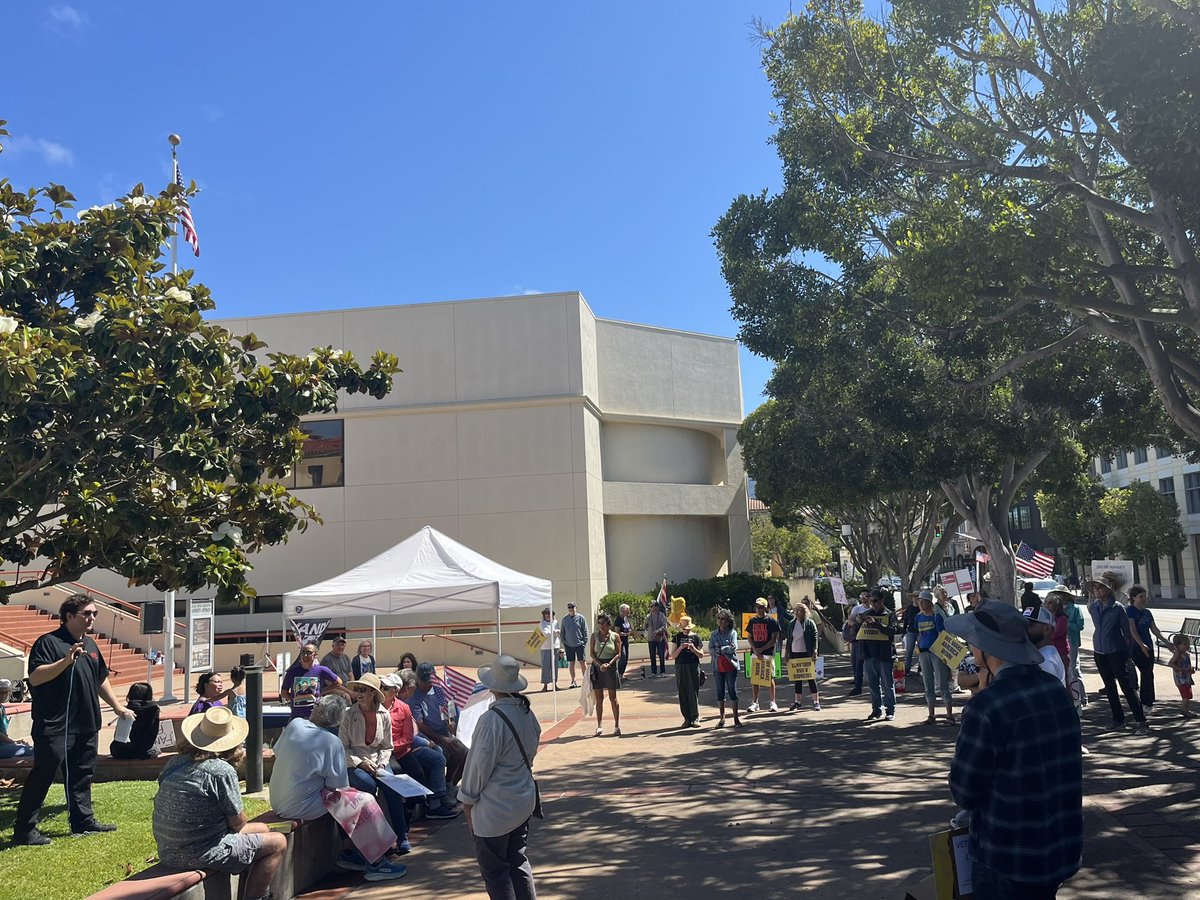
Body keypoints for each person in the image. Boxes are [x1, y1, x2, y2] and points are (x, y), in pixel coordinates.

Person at [945, 601, 1083, 898]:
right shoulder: (1054, 690)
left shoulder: (987, 706)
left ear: (985, 647)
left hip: (1007, 855)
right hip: (1058, 848)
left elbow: (964, 791)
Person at [13, 593, 133, 845]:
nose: (92, 618)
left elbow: (101, 679)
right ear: (69, 616)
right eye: (86, 613)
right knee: (43, 774)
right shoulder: (48, 643)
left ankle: (82, 821)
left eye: (94, 614)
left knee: (82, 773)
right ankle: (25, 830)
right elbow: (35, 677)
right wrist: (66, 661)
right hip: (55, 725)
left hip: (86, 722)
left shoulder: (90, 645)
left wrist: (118, 706)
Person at [153, 707, 288, 900]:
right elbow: (237, 823)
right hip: (202, 851)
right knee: (277, 842)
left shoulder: (175, 762)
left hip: (168, 850)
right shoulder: (221, 771)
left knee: (263, 829)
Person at [271, 694, 408, 881]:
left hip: (278, 799)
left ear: (319, 710)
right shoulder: (331, 742)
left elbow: (277, 751)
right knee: (362, 800)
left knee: (347, 799)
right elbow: (339, 787)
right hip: (300, 805)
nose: (314, 704)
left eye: (317, 703)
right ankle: (376, 862)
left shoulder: (295, 724)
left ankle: (350, 853)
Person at [460, 655, 542, 900]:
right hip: (521, 800)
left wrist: (467, 800)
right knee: (518, 861)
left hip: (495, 808)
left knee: (496, 872)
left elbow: (477, 768)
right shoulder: (527, 714)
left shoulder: (491, 720)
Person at [340, 672, 412, 853]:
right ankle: (378, 840)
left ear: (373, 692)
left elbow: (387, 746)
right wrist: (360, 763)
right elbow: (342, 748)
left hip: (378, 760)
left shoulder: (384, 714)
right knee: (367, 785)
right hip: (354, 761)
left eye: (363, 690)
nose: (359, 693)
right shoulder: (348, 715)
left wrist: (381, 764)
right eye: (357, 689)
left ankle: (401, 835)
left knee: (392, 787)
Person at [385, 671, 458, 818]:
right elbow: (403, 735)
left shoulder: (403, 706)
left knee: (444, 751)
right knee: (437, 759)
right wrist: (424, 742)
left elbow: (409, 732)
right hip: (398, 749)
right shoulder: (392, 706)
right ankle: (434, 804)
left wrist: (426, 741)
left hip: (407, 745)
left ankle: (439, 794)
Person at [1087, 574, 1148, 733]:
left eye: (1100, 587)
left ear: (1108, 589)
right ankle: (1118, 719)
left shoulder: (1118, 608)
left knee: (1127, 687)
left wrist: (1127, 655)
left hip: (1116, 652)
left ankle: (1141, 721)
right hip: (1099, 652)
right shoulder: (1093, 607)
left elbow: (1127, 635)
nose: (1096, 590)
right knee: (1110, 687)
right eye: (1094, 587)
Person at [411, 662, 469, 784]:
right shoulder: (414, 697)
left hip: (444, 732)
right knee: (442, 753)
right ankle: (442, 785)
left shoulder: (439, 691)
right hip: (428, 736)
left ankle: (450, 783)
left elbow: (449, 709)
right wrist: (442, 739)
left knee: (466, 754)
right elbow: (420, 725)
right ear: (419, 679)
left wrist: (451, 721)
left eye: (430, 681)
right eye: (425, 681)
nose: (428, 684)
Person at [1126, 585, 1168, 711]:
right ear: (1133, 598)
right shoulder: (1130, 611)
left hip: (1148, 647)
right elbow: (1132, 630)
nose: (1144, 599)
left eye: (1145, 596)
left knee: (1148, 674)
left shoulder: (1147, 612)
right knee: (1143, 673)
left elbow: (1154, 629)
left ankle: (1148, 702)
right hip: (1136, 648)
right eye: (1140, 596)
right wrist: (1141, 645)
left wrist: (1167, 642)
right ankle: (1143, 701)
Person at [281, 643, 350, 721]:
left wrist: (321, 692)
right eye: (303, 652)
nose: (305, 655)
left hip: (314, 715)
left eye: (309, 653)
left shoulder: (321, 670)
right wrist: (295, 698)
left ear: (315, 655)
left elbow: (338, 682)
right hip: (296, 716)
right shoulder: (292, 671)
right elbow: (284, 692)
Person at [857, 589, 897, 721]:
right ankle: (876, 710)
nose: (873, 604)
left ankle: (890, 710)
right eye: (870, 601)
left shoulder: (890, 614)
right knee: (873, 685)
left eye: (875, 601)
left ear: (882, 601)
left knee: (887, 684)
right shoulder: (867, 613)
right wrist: (859, 619)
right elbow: (855, 624)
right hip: (869, 654)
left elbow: (893, 631)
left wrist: (877, 624)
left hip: (884, 654)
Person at [915, 595, 954, 725]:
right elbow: (918, 633)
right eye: (919, 602)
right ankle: (931, 714)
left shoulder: (936, 617)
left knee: (942, 683)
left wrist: (943, 655)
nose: (920, 604)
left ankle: (949, 714)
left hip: (935, 653)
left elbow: (941, 635)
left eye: (923, 601)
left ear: (929, 602)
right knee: (928, 684)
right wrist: (918, 645)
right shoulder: (918, 617)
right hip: (923, 652)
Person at [744, 598, 781, 713]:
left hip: (768, 654)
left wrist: (761, 650)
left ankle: (773, 702)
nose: (758, 609)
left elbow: (773, 640)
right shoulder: (753, 621)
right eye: (757, 607)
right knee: (755, 678)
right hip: (755, 653)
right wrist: (756, 650)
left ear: (765, 607)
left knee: (769, 677)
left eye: (760, 607)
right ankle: (755, 702)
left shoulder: (772, 621)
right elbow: (749, 637)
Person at [708, 608, 743, 727]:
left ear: (728, 621)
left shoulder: (732, 633)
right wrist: (724, 649)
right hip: (717, 666)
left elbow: (734, 647)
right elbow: (711, 650)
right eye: (718, 618)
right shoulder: (713, 634)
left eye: (723, 619)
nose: (720, 621)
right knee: (720, 692)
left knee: (733, 691)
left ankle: (736, 719)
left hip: (730, 666)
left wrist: (721, 649)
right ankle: (722, 718)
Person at [589, 613, 622, 736]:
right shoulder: (594, 636)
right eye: (599, 623)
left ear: (609, 624)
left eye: (603, 623)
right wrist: (599, 664)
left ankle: (617, 726)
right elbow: (592, 653)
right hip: (598, 667)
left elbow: (618, 653)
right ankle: (599, 725)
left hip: (611, 667)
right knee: (599, 698)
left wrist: (609, 664)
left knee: (613, 697)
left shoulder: (615, 636)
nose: (601, 626)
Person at [109, 682, 161, 760]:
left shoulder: (126, 710)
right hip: (143, 750)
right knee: (156, 749)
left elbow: (118, 736)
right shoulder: (153, 710)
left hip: (120, 751)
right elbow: (152, 734)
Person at [784, 602, 821, 712]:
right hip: (795, 653)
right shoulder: (791, 623)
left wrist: (815, 650)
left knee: (811, 678)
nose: (797, 612)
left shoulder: (810, 623)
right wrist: (786, 653)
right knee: (797, 679)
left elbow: (815, 636)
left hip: (806, 653)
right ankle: (797, 702)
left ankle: (816, 702)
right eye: (796, 610)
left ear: (804, 612)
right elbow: (789, 639)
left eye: (800, 610)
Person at [670, 615, 705, 728]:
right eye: (685, 628)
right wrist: (681, 647)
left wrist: (693, 648)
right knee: (682, 691)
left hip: (693, 665)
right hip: (680, 666)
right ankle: (687, 718)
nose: (686, 630)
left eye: (688, 628)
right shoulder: (677, 637)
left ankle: (695, 717)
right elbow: (673, 655)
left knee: (693, 691)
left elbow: (701, 654)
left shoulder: (696, 637)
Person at [0, 678, 34, 759]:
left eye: (6, 692)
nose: (3, 695)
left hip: (4, 744)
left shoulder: (2, 708)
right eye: (1, 692)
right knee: (31, 751)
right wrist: (13, 743)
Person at [559, 602, 589, 689]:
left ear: (576, 608)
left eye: (572, 607)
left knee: (582, 662)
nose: (571, 609)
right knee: (571, 663)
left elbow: (585, 630)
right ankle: (573, 680)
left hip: (580, 644)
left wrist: (584, 641)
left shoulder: (581, 618)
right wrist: (564, 642)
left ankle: (586, 680)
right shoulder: (565, 619)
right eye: (569, 607)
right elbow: (562, 632)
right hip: (569, 645)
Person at [846, 591, 870, 695]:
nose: (864, 598)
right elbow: (850, 621)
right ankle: (857, 686)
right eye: (862, 596)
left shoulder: (875, 609)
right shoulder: (857, 609)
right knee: (857, 663)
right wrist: (858, 622)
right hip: (859, 639)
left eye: (866, 596)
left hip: (872, 640)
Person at [1062, 591, 1086, 691]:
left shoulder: (1075, 608)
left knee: (1073, 668)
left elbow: (1080, 625)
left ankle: (1080, 695)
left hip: (1072, 642)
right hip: (1060, 643)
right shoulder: (1057, 609)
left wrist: (1067, 624)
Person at [1041, 593, 1071, 673]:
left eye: (1050, 603)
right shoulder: (1043, 618)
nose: (1047, 605)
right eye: (1046, 602)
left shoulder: (1062, 619)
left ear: (1057, 605)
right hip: (1046, 652)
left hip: (1060, 653)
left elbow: (1054, 634)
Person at [1167, 634, 1194, 719]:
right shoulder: (1177, 654)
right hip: (1181, 678)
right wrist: (1179, 669)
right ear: (1177, 646)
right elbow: (1170, 663)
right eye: (1184, 644)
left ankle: (1186, 710)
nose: (1187, 646)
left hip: (1186, 678)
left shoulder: (1186, 654)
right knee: (1186, 695)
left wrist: (1190, 670)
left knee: (1188, 695)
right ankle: (1185, 710)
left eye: (1188, 644)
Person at [644, 599, 669, 679]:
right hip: (651, 639)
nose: (653, 608)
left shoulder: (661, 615)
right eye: (651, 606)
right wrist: (645, 624)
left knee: (661, 656)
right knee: (652, 656)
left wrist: (658, 631)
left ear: (658, 607)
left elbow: (664, 626)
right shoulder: (648, 616)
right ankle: (653, 672)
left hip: (659, 638)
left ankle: (662, 671)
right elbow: (645, 627)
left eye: (655, 606)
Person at [536, 608, 560, 692]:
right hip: (545, 647)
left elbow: (560, 631)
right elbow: (545, 633)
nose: (548, 615)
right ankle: (545, 685)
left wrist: (554, 632)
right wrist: (555, 632)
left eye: (549, 613)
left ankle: (555, 684)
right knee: (545, 666)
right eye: (546, 613)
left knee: (555, 667)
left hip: (555, 646)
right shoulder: (542, 623)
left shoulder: (556, 622)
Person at [900, 594, 919, 675]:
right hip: (911, 631)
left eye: (917, 597)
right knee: (909, 650)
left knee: (920, 650)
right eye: (914, 597)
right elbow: (905, 619)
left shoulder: (921, 608)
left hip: (920, 631)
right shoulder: (909, 607)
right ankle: (907, 668)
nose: (915, 599)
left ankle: (920, 667)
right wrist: (903, 631)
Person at [613, 604, 634, 680]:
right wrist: (626, 634)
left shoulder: (626, 619)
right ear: (622, 611)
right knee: (623, 657)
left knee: (626, 658)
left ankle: (621, 674)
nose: (629, 611)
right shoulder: (618, 619)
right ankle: (617, 674)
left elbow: (628, 628)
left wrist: (631, 632)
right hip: (620, 642)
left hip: (626, 641)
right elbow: (617, 632)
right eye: (627, 609)